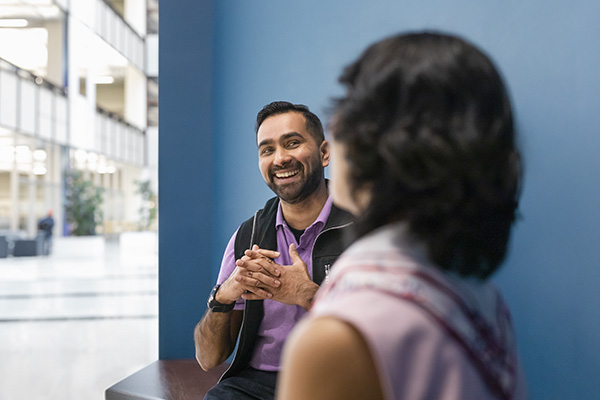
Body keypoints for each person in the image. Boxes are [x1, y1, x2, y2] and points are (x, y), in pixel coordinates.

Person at [277, 32, 528, 400]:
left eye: (347, 104)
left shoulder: (337, 338)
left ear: (380, 144)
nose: (334, 124)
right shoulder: (486, 303)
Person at [194, 101, 354, 399]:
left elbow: (388, 336)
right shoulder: (248, 236)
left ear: (324, 153)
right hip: (257, 386)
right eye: (267, 150)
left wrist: (308, 294)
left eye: (292, 143)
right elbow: (208, 358)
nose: (280, 158)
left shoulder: (363, 228)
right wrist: (224, 295)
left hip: (341, 382)